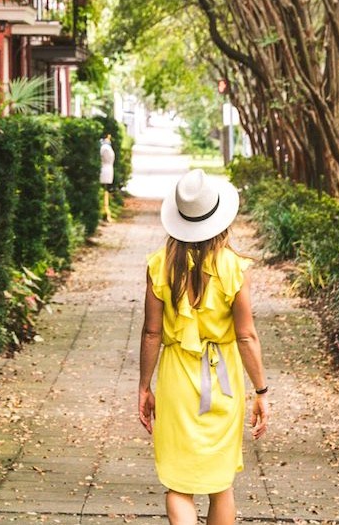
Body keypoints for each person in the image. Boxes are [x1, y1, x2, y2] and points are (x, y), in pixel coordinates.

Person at [138, 169, 269, 525]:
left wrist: (143, 387)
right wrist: (261, 390)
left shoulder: (158, 266)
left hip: (177, 381)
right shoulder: (234, 268)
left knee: (178, 485)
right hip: (223, 380)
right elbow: (246, 336)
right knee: (220, 485)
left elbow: (151, 333)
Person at [100, 134, 116, 222]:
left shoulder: (105, 147)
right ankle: (105, 212)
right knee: (104, 190)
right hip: (105, 171)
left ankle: (106, 211)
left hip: (107, 170)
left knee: (106, 190)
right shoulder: (105, 148)